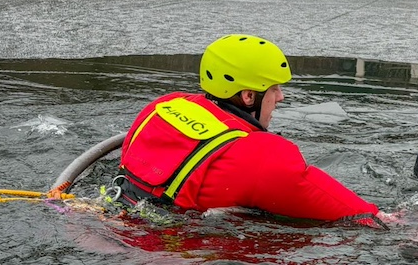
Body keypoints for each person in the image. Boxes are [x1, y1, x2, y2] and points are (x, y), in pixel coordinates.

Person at [112, 34, 381, 224]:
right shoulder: (261, 156)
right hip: (176, 256)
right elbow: (362, 217)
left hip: (115, 217)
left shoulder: (163, 107)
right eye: (274, 89)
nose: (281, 97)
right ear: (249, 97)